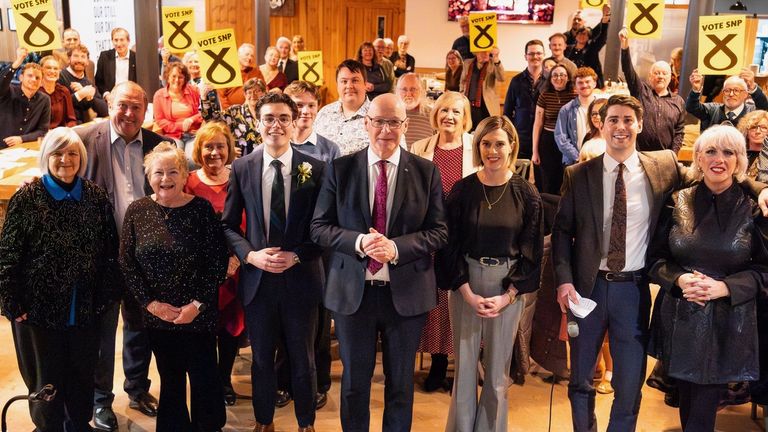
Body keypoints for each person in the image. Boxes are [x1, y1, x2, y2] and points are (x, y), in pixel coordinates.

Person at [551, 94, 768, 432]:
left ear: (640, 125)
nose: (621, 127)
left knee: (628, 383)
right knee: (580, 378)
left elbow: (718, 169)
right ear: (602, 124)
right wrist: (564, 281)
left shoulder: (664, 165)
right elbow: (562, 233)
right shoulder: (579, 174)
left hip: (632, 290)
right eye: (614, 120)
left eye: (628, 120)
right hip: (587, 288)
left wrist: (759, 188)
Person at [310, 93, 448, 431]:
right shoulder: (341, 168)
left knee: (400, 386)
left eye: (394, 123)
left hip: (405, 295)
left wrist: (396, 248)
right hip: (353, 295)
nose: (385, 130)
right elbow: (319, 227)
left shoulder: (426, 171)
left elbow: (439, 232)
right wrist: (359, 242)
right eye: (378, 122)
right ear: (366, 123)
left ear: (405, 125)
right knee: (355, 386)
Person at [647, 125, 768, 431]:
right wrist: (679, 279)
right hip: (681, 315)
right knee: (688, 400)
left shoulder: (753, 207)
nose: (719, 159)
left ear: (739, 161)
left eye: (729, 152)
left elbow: (765, 271)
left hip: (729, 320)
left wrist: (724, 287)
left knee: (702, 404)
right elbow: (655, 260)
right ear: (698, 157)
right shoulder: (676, 200)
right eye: (711, 151)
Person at [0, 127, 120, 432]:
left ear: (81, 157)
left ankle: (78, 424)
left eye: (72, 153)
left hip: (85, 309)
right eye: (57, 153)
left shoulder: (95, 196)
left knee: (82, 374)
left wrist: (105, 299)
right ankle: (47, 427)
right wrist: (13, 303)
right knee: (46, 380)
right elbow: (8, 256)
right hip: (38, 311)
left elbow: (109, 251)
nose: (65, 160)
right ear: (46, 157)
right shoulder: (27, 198)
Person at [222, 92, 326, 432]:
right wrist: (250, 255)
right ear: (258, 123)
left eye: (283, 118)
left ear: (294, 122)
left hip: (302, 280)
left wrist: (297, 255)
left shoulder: (316, 169)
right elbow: (226, 224)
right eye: (269, 118)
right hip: (258, 281)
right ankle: (264, 421)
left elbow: (323, 228)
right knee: (261, 359)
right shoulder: (243, 167)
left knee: (303, 359)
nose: (276, 125)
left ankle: (306, 423)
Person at [440, 115, 542, 432]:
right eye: (486, 143)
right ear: (478, 146)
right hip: (465, 284)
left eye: (499, 143)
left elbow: (532, 252)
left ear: (512, 146)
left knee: (498, 374)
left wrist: (508, 296)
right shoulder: (462, 191)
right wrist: (466, 292)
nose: (492, 150)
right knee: (466, 369)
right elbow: (449, 245)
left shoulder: (526, 194)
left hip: (506, 288)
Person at [75, 81, 165, 431]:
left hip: (143, 254)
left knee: (140, 325)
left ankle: (138, 389)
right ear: (110, 103)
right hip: (99, 256)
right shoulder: (83, 139)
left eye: (136, 108)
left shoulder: (157, 144)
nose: (129, 114)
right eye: (123, 105)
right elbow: (56, 169)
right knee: (101, 331)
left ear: (146, 111)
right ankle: (100, 401)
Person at [121, 142, 227, 432]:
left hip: (198, 315)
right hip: (159, 318)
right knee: (171, 380)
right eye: (158, 173)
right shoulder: (137, 210)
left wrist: (196, 305)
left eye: (172, 172)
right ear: (148, 176)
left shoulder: (201, 210)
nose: (165, 179)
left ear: (184, 175)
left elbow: (217, 262)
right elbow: (127, 264)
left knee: (205, 377)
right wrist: (152, 305)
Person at [273, 81, 340, 411]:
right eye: (297, 104)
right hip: (285, 247)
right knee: (287, 322)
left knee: (319, 321)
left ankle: (319, 382)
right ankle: (284, 381)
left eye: (310, 105)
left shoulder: (329, 149)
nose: (304, 111)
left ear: (317, 108)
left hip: (318, 248)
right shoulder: (275, 146)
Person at [411, 91, 475, 393]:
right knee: (437, 304)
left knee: (462, 301)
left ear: (465, 118)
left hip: (466, 236)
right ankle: (437, 366)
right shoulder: (419, 147)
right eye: (444, 110)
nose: (449, 116)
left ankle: (464, 368)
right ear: (436, 114)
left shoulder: (477, 147)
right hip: (431, 236)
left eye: (456, 112)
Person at [183, 122, 244, 407]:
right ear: (199, 150)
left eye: (220, 146)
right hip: (200, 272)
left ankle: (225, 379)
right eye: (208, 146)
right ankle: (207, 383)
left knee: (231, 328)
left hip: (235, 268)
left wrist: (235, 259)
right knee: (205, 329)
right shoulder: (188, 182)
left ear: (229, 149)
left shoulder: (240, 178)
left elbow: (250, 223)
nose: (214, 153)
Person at [619, 29, 685, 153]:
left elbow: (679, 131)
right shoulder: (641, 91)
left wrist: (673, 154)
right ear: (650, 77)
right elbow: (628, 70)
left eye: (664, 73)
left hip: (665, 157)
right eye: (656, 73)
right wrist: (625, 46)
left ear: (670, 77)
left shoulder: (678, 101)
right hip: (639, 155)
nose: (660, 76)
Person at [532, 63, 574, 195]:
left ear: (568, 78)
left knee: (566, 179)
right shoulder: (545, 95)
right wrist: (535, 151)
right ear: (550, 78)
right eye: (555, 75)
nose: (558, 78)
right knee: (548, 180)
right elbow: (537, 124)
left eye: (562, 75)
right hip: (548, 141)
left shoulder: (574, 95)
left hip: (567, 141)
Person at [314, 59, 371, 155]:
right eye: (344, 81)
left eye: (355, 80)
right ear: (337, 85)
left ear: (365, 84)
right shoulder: (324, 113)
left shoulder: (378, 116)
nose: (349, 86)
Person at [503, 40, 547, 162]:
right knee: (519, 176)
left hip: (543, 137)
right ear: (525, 56)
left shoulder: (550, 81)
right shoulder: (516, 81)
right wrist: (511, 134)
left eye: (538, 53)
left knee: (542, 178)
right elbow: (507, 111)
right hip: (520, 137)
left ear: (544, 55)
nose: (535, 57)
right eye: (531, 54)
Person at [687, 68, 768, 132]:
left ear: (745, 94)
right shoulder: (712, 110)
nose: (731, 94)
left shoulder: (751, 112)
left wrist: (753, 87)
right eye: (727, 90)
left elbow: (764, 107)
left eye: (736, 90)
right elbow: (692, 107)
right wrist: (696, 89)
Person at [202, 77, 266, 157]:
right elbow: (212, 119)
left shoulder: (269, 112)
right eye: (249, 92)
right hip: (241, 159)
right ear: (245, 95)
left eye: (257, 91)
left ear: (264, 93)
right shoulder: (235, 111)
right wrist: (204, 98)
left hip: (264, 158)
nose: (253, 95)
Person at [0, 47, 49, 148]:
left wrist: (22, 139)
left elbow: (43, 130)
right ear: (21, 78)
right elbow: (1, 83)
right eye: (29, 76)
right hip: (3, 147)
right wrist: (17, 62)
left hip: (26, 147)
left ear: (41, 83)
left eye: (37, 78)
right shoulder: (8, 91)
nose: (34, 79)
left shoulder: (45, 99)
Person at [152, 62, 202, 156]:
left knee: (192, 159)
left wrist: (192, 119)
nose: (176, 80)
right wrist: (180, 126)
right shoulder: (159, 95)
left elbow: (202, 112)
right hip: (173, 136)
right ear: (168, 77)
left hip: (193, 134)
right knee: (176, 157)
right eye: (173, 76)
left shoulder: (193, 91)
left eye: (180, 77)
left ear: (185, 78)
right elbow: (160, 120)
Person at [286, 80, 341, 163]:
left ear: (318, 107)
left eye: (311, 105)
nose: (306, 111)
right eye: (299, 105)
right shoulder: (277, 145)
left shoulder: (331, 150)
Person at [555, 66, 598, 167]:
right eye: (580, 83)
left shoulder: (604, 108)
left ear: (594, 83)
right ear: (575, 86)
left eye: (588, 81)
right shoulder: (566, 109)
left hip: (598, 160)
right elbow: (560, 137)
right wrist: (579, 158)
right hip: (573, 162)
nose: (584, 85)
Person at [59, 44, 109, 123]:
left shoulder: (88, 83)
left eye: (83, 57)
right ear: (69, 59)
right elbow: (60, 105)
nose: (79, 60)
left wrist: (89, 96)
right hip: (67, 127)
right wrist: (80, 94)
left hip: (84, 126)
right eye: (76, 56)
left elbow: (105, 111)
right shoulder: (60, 76)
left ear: (87, 62)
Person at [565, 4, 611, 88]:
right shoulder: (568, 49)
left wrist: (605, 18)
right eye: (579, 33)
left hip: (591, 85)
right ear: (576, 35)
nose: (581, 36)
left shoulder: (592, 48)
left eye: (584, 34)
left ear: (588, 37)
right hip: (572, 85)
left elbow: (602, 37)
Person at [460, 47, 504, 131]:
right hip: (469, 105)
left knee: (486, 132)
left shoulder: (493, 63)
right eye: (483, 52)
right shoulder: (467, 63)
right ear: (476, 52)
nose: (486, 54)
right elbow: (462, 81)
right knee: (468, 131)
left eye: (488, 51)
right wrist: (461, 93)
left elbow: (501, 78)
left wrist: (496, 59)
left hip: (486, 107)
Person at [95, 28, 137, 103]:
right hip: (111, 99)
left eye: (122, 40)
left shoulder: (136, 58)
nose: (118, 44)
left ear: (128, 41)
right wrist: (106, 94)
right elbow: (98, 81)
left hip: (131, 98)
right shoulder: (104, 57)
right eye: (116, 40)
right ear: (112, 41)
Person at [218, 43, 266, 109]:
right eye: (247, 54)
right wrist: (229, 112)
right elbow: (221, 96)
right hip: (231, 113)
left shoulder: (256, 72)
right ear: (238, 55)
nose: (249, 58)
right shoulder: (227, 72)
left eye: (252, 56)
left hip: (253, 110)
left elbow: (264, 91)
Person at [397, 73, 433, 149]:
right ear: (397, 91)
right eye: (404, 89)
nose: (408, 94)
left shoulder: (432, 115)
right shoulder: (390, 114)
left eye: (413, 89)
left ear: (422, 91)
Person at [39, 55, 77, 129]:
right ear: (41, 70)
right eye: (48, 68)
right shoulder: (35, 92)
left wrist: (65, 131)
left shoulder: (64, 91)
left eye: (56, 68)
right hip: (40, 136)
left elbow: (71, 120)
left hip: (60, 134)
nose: (52, 71)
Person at [737, 110, 768, 181]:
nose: (758, 131)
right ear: (746, 131)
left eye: (763, 128)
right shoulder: (737, 155)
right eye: (753, 127)